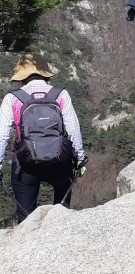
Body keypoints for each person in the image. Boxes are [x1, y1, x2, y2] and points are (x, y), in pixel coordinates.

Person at [0, 54, 86, 222]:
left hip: (25, 165)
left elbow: (2, 134)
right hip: (59, 162)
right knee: (62, 213)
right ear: (45, 73)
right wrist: (80, 158)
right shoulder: (61, 95)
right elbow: (73, 130)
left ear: (22, 76)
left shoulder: (13, 98)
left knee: (26, 219)